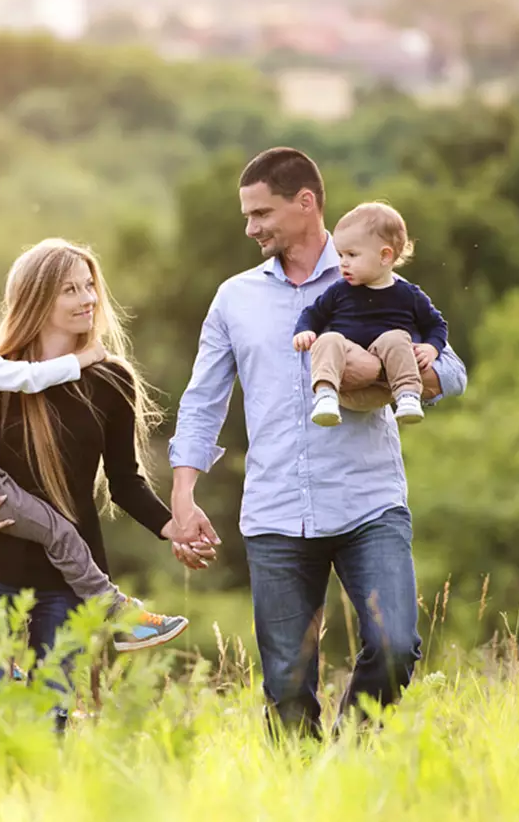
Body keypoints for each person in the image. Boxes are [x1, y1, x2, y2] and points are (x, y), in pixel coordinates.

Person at [166, 147, 468, 740]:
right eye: (247, 216)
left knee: (394, 646)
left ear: (306, 203)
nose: (250, 227)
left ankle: (348, 761)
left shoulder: (382, 281)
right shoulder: (235, 298)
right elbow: (203, 400)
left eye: (261, 213)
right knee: (285, 683)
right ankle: (303, 792)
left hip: (368, 502)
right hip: (275, 511)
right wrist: (183, 494)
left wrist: (395, 374)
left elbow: (452, 371)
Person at [0, 239, 195, 725]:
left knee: (51, 718)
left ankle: (41, 801)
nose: (88, 298)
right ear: (38, 299)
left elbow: (125, 481)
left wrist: (172, 525)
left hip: (68, 576)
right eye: (71, 289)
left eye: (90, 285)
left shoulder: (111, 380)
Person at [291, 201, 450, 428]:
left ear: (385, 256)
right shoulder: (339, 291)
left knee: (396, 337)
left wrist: (431, 348)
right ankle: (325, 395)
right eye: (340, 254)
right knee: (329, 339)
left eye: (352, 255)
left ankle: (408, 396)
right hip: (347, 379)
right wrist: (304, 330)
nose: (342, 263)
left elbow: (436, 324)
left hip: (386, 386)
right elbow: (313, 313)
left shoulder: (408, 294)